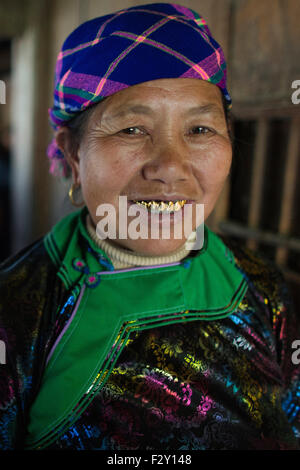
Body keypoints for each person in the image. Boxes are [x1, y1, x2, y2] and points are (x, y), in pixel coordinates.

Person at [0, 3, 299, 451]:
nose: (171, 168)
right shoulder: (17, 310)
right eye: (132, 130)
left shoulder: (260, 287)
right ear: (74, 155)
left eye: (200, 130)